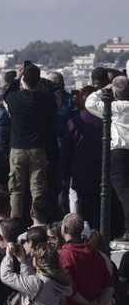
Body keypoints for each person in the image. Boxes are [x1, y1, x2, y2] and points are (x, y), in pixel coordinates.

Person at [2, 63, 57, 221]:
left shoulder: (15, 98)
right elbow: (54, 103)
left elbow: (7, 94)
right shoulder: (45, 99)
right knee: (38, 190)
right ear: (38, 80)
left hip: (18, 148)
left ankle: (15, 222)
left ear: (24, 80)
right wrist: (44, 84)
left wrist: (16, 78)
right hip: (38, 148)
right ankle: (38, 221)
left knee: (16, 190)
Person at [86, 76, 129, 239]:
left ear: (116, 92)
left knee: (123, 192)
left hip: (119, 151)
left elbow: (90, 103)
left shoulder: (114, 107)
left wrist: (104, 89)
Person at [61, 86, 103, 225]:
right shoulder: (104, 120)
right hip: (101, 170)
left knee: (83, 206)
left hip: (80, 171)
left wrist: (65, 173)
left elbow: (67, 149)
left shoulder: (75, 121)